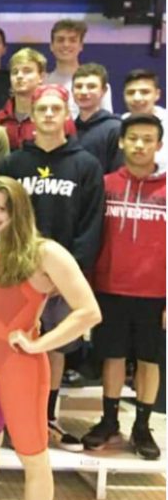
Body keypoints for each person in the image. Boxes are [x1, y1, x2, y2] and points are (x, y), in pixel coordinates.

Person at [0, 176, 101, 500]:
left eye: (1, 209)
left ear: (19, 211)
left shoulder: (45, 253)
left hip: (20, 368)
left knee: (34, 458)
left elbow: (89, 312)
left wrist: (40, 344)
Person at [0, 84, 104, 452]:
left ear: (66, 114)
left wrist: (69, 274)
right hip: (15, 272)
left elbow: (92, 224)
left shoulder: (86, 164)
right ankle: (6, 418)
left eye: (54, 109)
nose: (47, 115)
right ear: (31, 113)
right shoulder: (13, 163)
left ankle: (46, 416)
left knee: (52, 346)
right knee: (11, 342)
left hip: (60, 277)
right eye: (40, 109)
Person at [82, 114, 165, 460]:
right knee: (112, 357)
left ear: (159, 145)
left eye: (148, 139)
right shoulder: (105, 184)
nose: (140, 145)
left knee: (149, 360)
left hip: (155, 295)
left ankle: (143, 426)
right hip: (109, 289)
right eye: (133, 138)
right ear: (121, 142)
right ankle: (109, 420)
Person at [0, 48, 77, 150]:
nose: (19, 76)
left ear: (41, 77)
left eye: (27, 71)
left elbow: (72, 158)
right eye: (14, 72)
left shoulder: (59, 119)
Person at [47, 19, 113, 118]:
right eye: (60, 40)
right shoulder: (43, 83)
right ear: (51, 46)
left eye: (72, 40)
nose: (66, 45)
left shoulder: (97, 85)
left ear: (81, 46)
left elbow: (107, 122)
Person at [73, 63, 123, 174]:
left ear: (103, 91)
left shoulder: (116, 128)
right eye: (78, 86)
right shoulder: (68, 130)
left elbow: (118, 173)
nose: (84, 92)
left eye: (91, 86)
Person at [122, 69, 168, 173]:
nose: (137, 98)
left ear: (157, 94)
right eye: (130, 92)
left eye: (145, 92)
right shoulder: (118, 124)